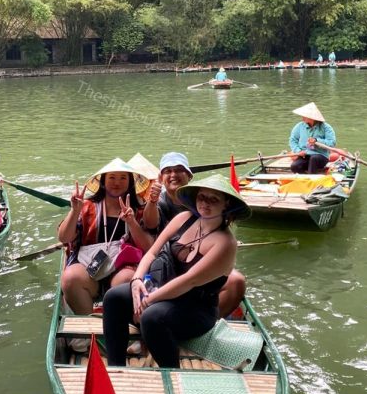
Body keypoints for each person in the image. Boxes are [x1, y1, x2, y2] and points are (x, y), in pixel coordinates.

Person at [103, 174, 250, 369]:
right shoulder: (184, 218)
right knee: (113, 297)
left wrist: (148, 300)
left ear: (226, 205)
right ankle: (116, 366)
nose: (205, 203)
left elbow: (190, 280)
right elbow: (153, 251)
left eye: (213, 199)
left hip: (195, 309)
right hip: (163, 292)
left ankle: (172, 371)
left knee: (152, 316)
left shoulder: (225, 243)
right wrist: (137, 280)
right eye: (201, 197)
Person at [142, 152, 246, 318]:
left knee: (237, 281)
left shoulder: (202, 206)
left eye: (178, 170)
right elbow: (150, 225)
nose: (173, 175)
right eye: (168, 171)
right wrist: (152, 201)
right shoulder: (160, 201)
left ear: (189, 176)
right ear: (161, 178)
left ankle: (211, 321)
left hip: (195, 258)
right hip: (167, 259)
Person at [58, 159, 153, 317]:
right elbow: (64, 238)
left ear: (130, 183)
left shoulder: (139, 209)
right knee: (70, 278)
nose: (117, 183)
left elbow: (149, 248)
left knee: (128, 279)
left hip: (123, 268)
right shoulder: (87, 206)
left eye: (123, 178)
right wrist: (75, 211)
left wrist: (131, 221)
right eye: (112, 178)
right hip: (88, 265)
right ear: (103, 182)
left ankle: (117, 324)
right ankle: (90, 329)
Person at [289, 102, 336, 174]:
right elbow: (293, 140)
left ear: (312, 117)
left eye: (305, 116)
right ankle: (304, 178)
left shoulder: (326, 127)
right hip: (304, 155)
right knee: (294, 166)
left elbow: (332, 143)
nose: (302, 118)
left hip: (321, 156)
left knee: (314, 159)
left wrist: (317, 141)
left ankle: (311, 178)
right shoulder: (299, 126)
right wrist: (298, 151)